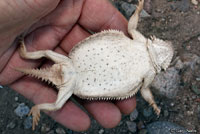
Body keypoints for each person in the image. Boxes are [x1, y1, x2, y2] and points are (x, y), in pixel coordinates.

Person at [0, 0, 136, 131]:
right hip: (70, 77)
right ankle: (26, 56)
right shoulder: (67, 69)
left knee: (56, 100)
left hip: (71, 74)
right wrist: (38, 107)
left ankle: (26, 56)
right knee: (57, 103)